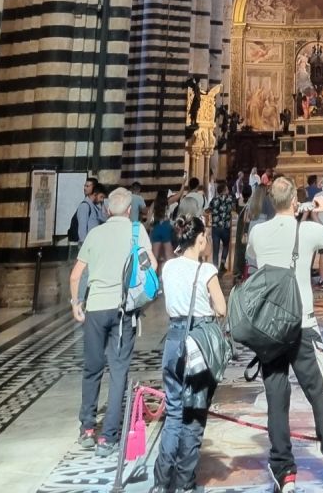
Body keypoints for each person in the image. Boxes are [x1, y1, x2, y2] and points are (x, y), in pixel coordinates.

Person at [247, 175, 323, 493]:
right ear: (295, 199)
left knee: (276, 400)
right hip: (302, 326)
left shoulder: (257, 232)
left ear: (271, 201)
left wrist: (289, 215)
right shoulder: (308, 230)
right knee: (322, 397)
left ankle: (284, 473)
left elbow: (258, 259)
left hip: (270, 328)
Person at [70, 184, 157, 454]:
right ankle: (108, 437)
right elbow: (152, 265)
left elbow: (76, 275)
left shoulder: (95, 234)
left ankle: (87, 428)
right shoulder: (136, 232)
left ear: (107, 209)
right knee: (118, 371)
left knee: (92, 367)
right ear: (129, 210)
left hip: (95, 308)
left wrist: (76, 303)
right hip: (122, 310)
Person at [151, 212, 226, 493]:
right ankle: (184, 482)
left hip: (173, 341)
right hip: (198, 342)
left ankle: (162, 481)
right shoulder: (206, 271)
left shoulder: (168, 268)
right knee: (194, 415)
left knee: (173, 412)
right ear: (201, 239)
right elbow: (222, 309)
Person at [209, 180, 234, 272]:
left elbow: (209, 209)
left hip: (215, 227)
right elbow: (233, 208)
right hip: (225, 227)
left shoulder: (214, 200)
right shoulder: (230, 199)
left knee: (215, 249)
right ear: (224, 190)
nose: (228, 190)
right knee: (226, 245)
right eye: (227, 189)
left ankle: (215, 267)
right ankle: (222, 264)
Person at [76, 176, 107, 245]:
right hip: (87, 244)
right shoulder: (85, 206)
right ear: (95, 193)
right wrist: (84, 245)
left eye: (87, 186)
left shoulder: (95, 206)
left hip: (93, 243)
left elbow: (104, 219)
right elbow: (82, 228)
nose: (85, 188)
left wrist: (102, 204)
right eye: (101, 197)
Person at [151, 188, 176, 265]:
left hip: (156, 227)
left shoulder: (154, 204)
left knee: (154, 258)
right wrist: (183, 185)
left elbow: (149, 218)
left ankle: (153, 272)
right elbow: (178, 195)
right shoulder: (167, 202)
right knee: (169, 258)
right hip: (166, 227)